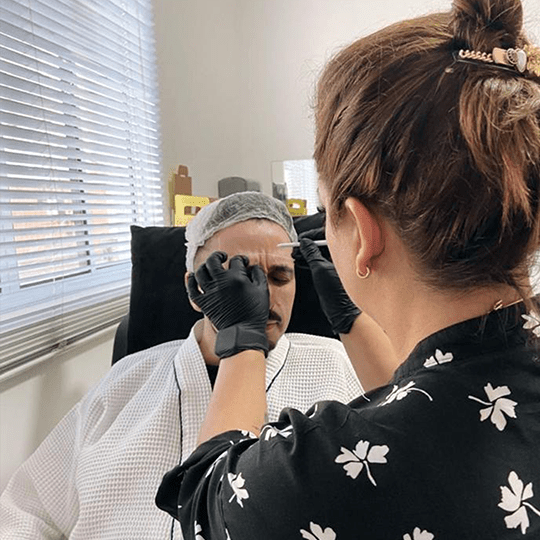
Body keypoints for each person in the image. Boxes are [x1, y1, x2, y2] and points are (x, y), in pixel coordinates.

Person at [156, 0, 540, 538]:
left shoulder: (317, 475)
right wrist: (353, 318)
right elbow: (428, 399)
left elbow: (203, 498)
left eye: (325, 206)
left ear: (361, 232)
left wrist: (241, 338)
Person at [0, 192, 364, 540]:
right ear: (195, 289)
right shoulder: (126, 379)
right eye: (239, 277)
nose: (263, 294)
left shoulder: (335, 365)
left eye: (280, 277)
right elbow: (26, 511)